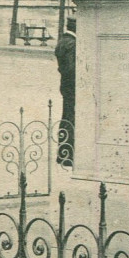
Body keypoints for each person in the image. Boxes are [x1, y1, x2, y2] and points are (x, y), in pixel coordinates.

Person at [54, 17, 76, 167]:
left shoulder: (63, 40)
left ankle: (63, 153)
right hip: (72, 86)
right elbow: (71, 68)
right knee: (70, 119)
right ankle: (67, 155)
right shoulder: (72, 44)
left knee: (66, 117)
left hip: (66, 86)